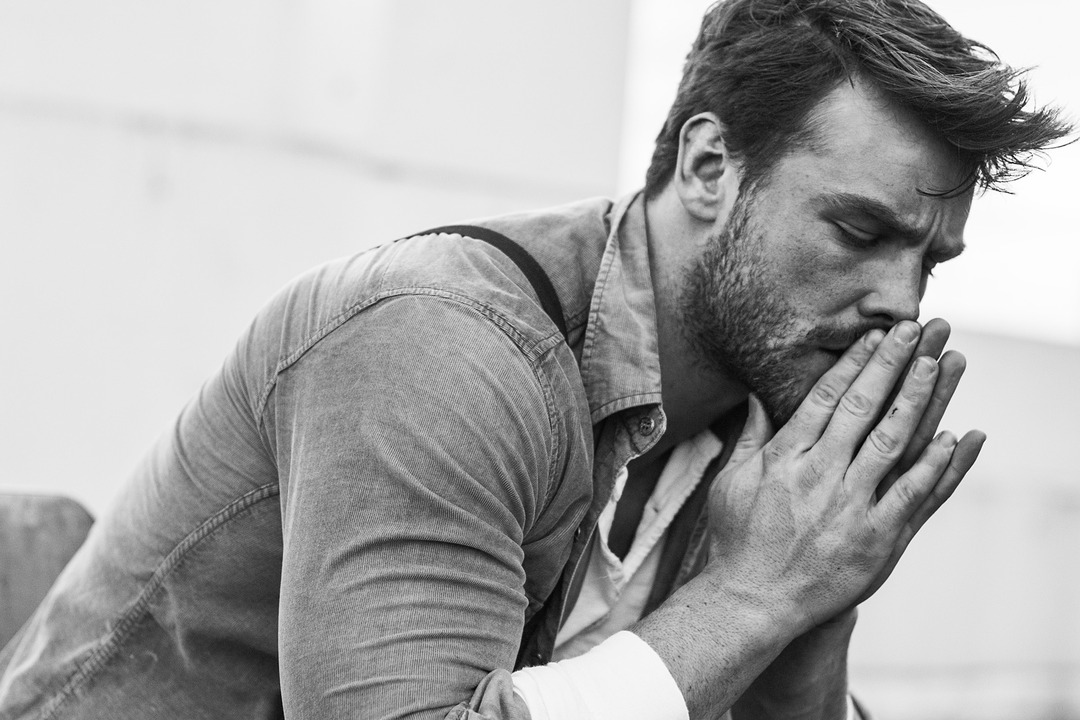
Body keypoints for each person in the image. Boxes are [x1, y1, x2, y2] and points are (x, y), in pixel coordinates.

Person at [0, 0, 1070, 718]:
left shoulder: (767, 430)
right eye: (860, 231)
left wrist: (812, 618)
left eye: (929, 260)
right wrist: (753, 596)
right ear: (709, 166)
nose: (900, 302)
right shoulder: (439, 341)